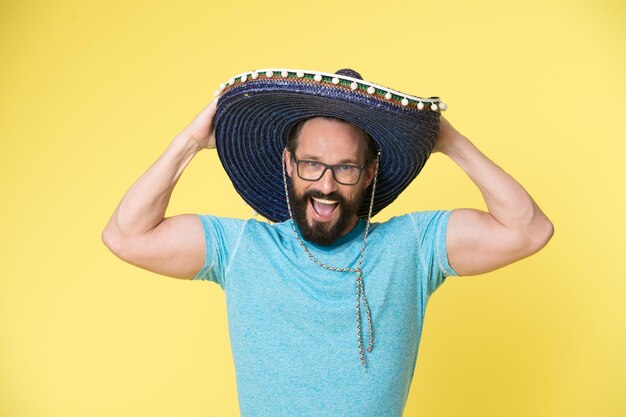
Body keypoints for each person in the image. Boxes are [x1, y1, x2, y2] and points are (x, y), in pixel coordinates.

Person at [102, 68, 554, 417]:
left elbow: (529, 229)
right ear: (288, 164)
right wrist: (190, 142)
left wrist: (450, 142)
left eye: (346, 168)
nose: (326, 185)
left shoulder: (412, 247)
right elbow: (125, 236)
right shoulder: (242, 247)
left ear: (369, 173)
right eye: (312, 164)